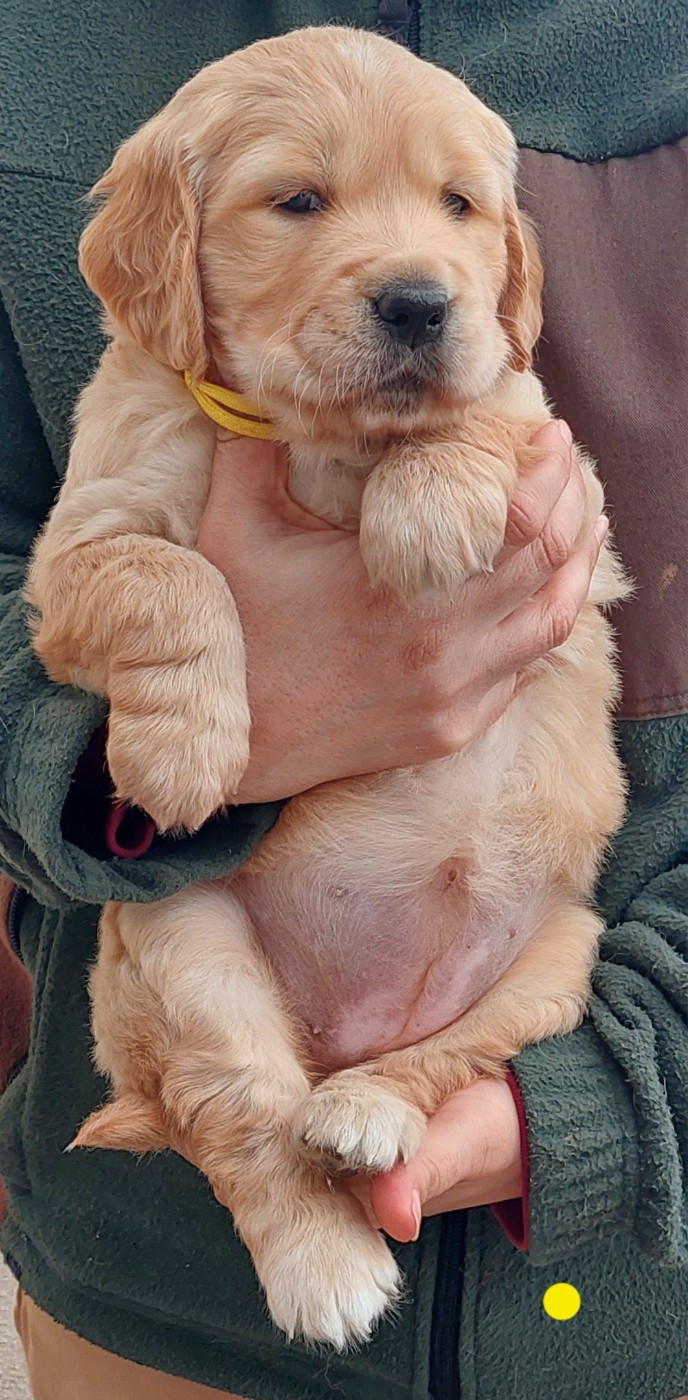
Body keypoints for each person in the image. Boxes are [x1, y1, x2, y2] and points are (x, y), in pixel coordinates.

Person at [1, 1, 687, 1397]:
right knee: (186, 940)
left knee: (546, 943)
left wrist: (592, 1102)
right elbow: (56, 567)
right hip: (160, 1314)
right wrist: (170, 721)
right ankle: (260, 1157)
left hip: (630, 1307)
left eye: (455, 206)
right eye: (297, 201)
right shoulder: (42, 51)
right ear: (164, 255)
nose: (414, 272)